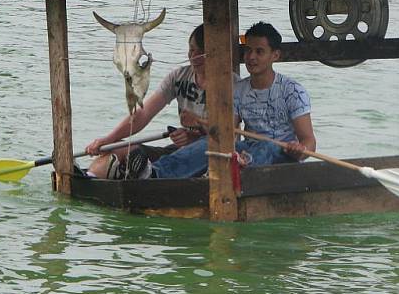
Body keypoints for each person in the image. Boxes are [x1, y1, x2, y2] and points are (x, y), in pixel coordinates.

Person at [125, 21, 316, 179]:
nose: (251, 57)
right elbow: (225, 132)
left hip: (281, 154)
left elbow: (309, 141)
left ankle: (236, 167)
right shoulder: (239, 89)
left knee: (267, 145)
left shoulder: (292, 91)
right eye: (248, 50)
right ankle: (155, 173)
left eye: (259, 51)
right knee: (210, 143)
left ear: (275, 55)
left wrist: (299, 149)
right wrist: (199, 124)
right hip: (248, 150)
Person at [84, 24, 212, 178]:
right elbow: (144, 113)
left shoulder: (229, 83)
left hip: (209, 155)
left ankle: (149, 173)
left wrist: (197, 128)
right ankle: (90, 177)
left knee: (206, 146)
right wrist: (109, 139)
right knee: (119, 148)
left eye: (201, 52)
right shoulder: (178, 76)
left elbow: (228, 133)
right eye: (191, 49)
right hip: (178, 151)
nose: (194, 56)